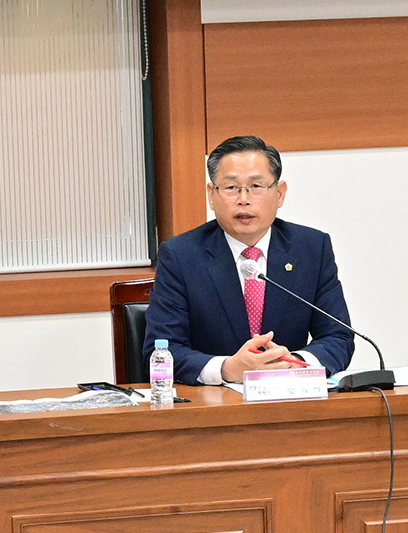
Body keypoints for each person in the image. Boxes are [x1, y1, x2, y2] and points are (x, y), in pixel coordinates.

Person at [144, 135, 356, 384]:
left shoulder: (311, 249)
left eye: (256, 186)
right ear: (211, 195)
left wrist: (295, 363)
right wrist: (226, 368)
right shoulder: (181, 256)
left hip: (290, 403)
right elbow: (161, 350)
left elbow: (338, 336)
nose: (243, 199)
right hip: (214, 407)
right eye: (232, 187)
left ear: (279, 194)